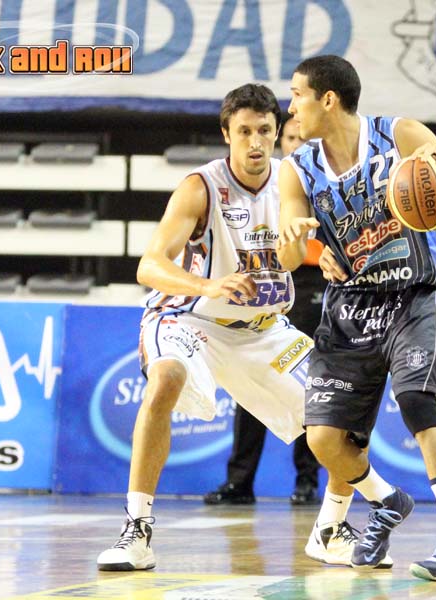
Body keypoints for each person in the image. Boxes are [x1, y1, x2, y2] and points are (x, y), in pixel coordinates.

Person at [96, 84, 374, 571]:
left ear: (277, 133)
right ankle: (136, 530)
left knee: (343, 412)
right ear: (227, 134)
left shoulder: (295, 183)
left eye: (264, 130)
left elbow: (310, 246)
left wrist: (331, 255)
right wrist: (207, 285)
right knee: (165, 379)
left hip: (262, 329)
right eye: (244, 131)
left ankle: (330, 530)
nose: (255, 141)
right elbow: (149, 266)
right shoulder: (200, 186)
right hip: (189, 317)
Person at [276, 55, 436, 582]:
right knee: (324, 439)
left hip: (411, 292)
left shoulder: (398, 135)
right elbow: (287, 256)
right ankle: (387, 501)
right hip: (349, 306)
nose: (291, 107)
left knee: (419, 405)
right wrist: (295, 238)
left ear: (328, 99)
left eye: (297, 94)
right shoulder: (296, 168)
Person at [203, 117, 322, 507]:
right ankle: (240, 481)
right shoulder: (264, 183)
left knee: (308, 382)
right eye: (290, 137)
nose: (296, 144)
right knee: (249, 381)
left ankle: (307, 480)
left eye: (303, 138)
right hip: (262, 282)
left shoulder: (321, 182)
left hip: (312, 283)